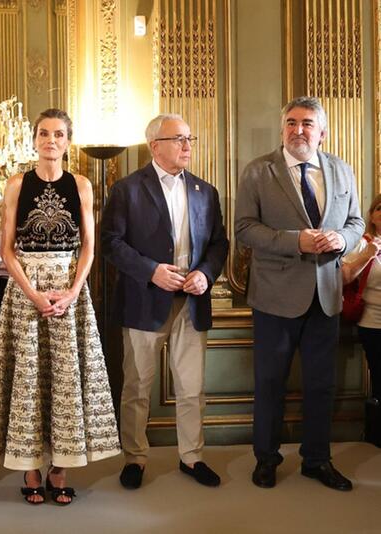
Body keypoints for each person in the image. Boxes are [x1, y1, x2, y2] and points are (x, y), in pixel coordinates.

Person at [0, 109, 120, 505]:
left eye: (58, 134)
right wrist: (33, 294)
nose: (50, 140)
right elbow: (5, 249)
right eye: (43, 133)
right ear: (34, 140)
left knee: (65, 378)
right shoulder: (17, 183)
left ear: (68, 142)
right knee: (28, 378)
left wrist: (71, 291)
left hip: (70, 291)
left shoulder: (82, 185)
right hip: (25, 292)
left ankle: (60, 468)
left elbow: (89, 246)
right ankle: (30, 466)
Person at [235, 96, 363, 491]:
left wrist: (341, 238)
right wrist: (296, 241)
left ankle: (316, 460)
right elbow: (243, 229)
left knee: (321, 385)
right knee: (270, 383)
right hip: (274, 297)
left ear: (321, 132)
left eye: (307, 123)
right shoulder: (258, 171)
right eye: (291, 122)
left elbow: (357, 221)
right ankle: (267, 459)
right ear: (282, 129)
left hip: (326, 296)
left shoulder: (342, 171)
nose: (298, 130)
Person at [101, 113, 229, 490]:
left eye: (190, 138)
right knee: (137, 386)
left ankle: (192, 457)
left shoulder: (206, 191)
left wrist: (205, 273)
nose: (187, 145)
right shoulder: (127, 189)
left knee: (191, 388)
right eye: (179, 139)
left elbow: (219, 244)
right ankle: (135, 459)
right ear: (155, 146)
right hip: (144, 299)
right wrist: (150, 271)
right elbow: (110, 242)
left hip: (191, 302)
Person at [341, 194, 381, 447]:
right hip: (373, 322)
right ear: (371, 215)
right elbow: (343, 278)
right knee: (380, 378)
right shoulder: (362, 242)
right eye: (379, 208)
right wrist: (368, 254)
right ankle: (376, 434)